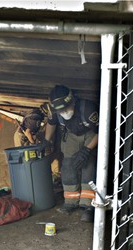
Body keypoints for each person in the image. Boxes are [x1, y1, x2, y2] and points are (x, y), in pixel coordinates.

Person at [44, 85, 99, 222]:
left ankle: (88, 205)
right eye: (60, 110)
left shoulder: (88, 109)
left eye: (66, 108)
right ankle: (70, 202)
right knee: (68, 165)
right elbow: (51, 123)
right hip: (71, 134)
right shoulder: (55, 110)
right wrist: (46, 141)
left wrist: (87, 150)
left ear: (73, 101)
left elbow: (101, 131)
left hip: (90, 134)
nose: (63, 112)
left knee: (88, 164)